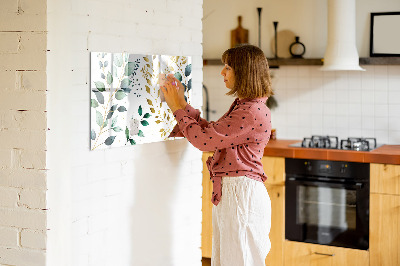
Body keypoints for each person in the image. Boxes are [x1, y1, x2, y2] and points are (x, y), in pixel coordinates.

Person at [161, 44, 273, 266]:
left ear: (244, 72)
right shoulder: (246, 106)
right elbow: (212, 133)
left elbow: (204, 141)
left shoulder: (250, 111)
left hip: (241, 195)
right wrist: (182, 104)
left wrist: (176, 108)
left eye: (228, 67)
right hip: (236, 193)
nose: (222, 72)